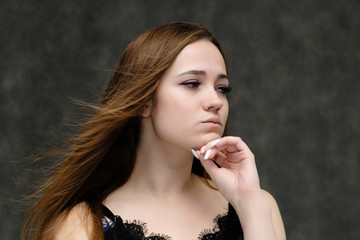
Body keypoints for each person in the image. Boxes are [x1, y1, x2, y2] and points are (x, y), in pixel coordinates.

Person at [22, 22, 286, 240]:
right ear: (144, 102)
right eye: (193, 83)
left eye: (222, 88)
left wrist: (250, 205)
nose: (216, 101)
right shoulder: (83, 225)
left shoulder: (259, 206)